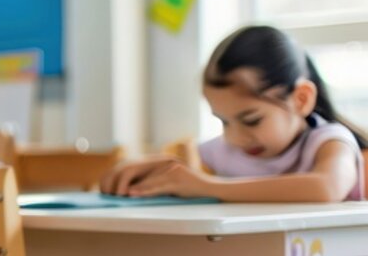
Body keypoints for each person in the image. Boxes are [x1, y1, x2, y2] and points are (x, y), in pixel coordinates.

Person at [102, 26, 365, 202]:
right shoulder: (226, 150)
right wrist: (142, 168)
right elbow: (183, 168)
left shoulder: (329, 142)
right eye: (223, 122)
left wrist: (207, 186)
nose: (235, 137)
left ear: (301, 99)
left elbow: (326, 188)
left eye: (251, 120)